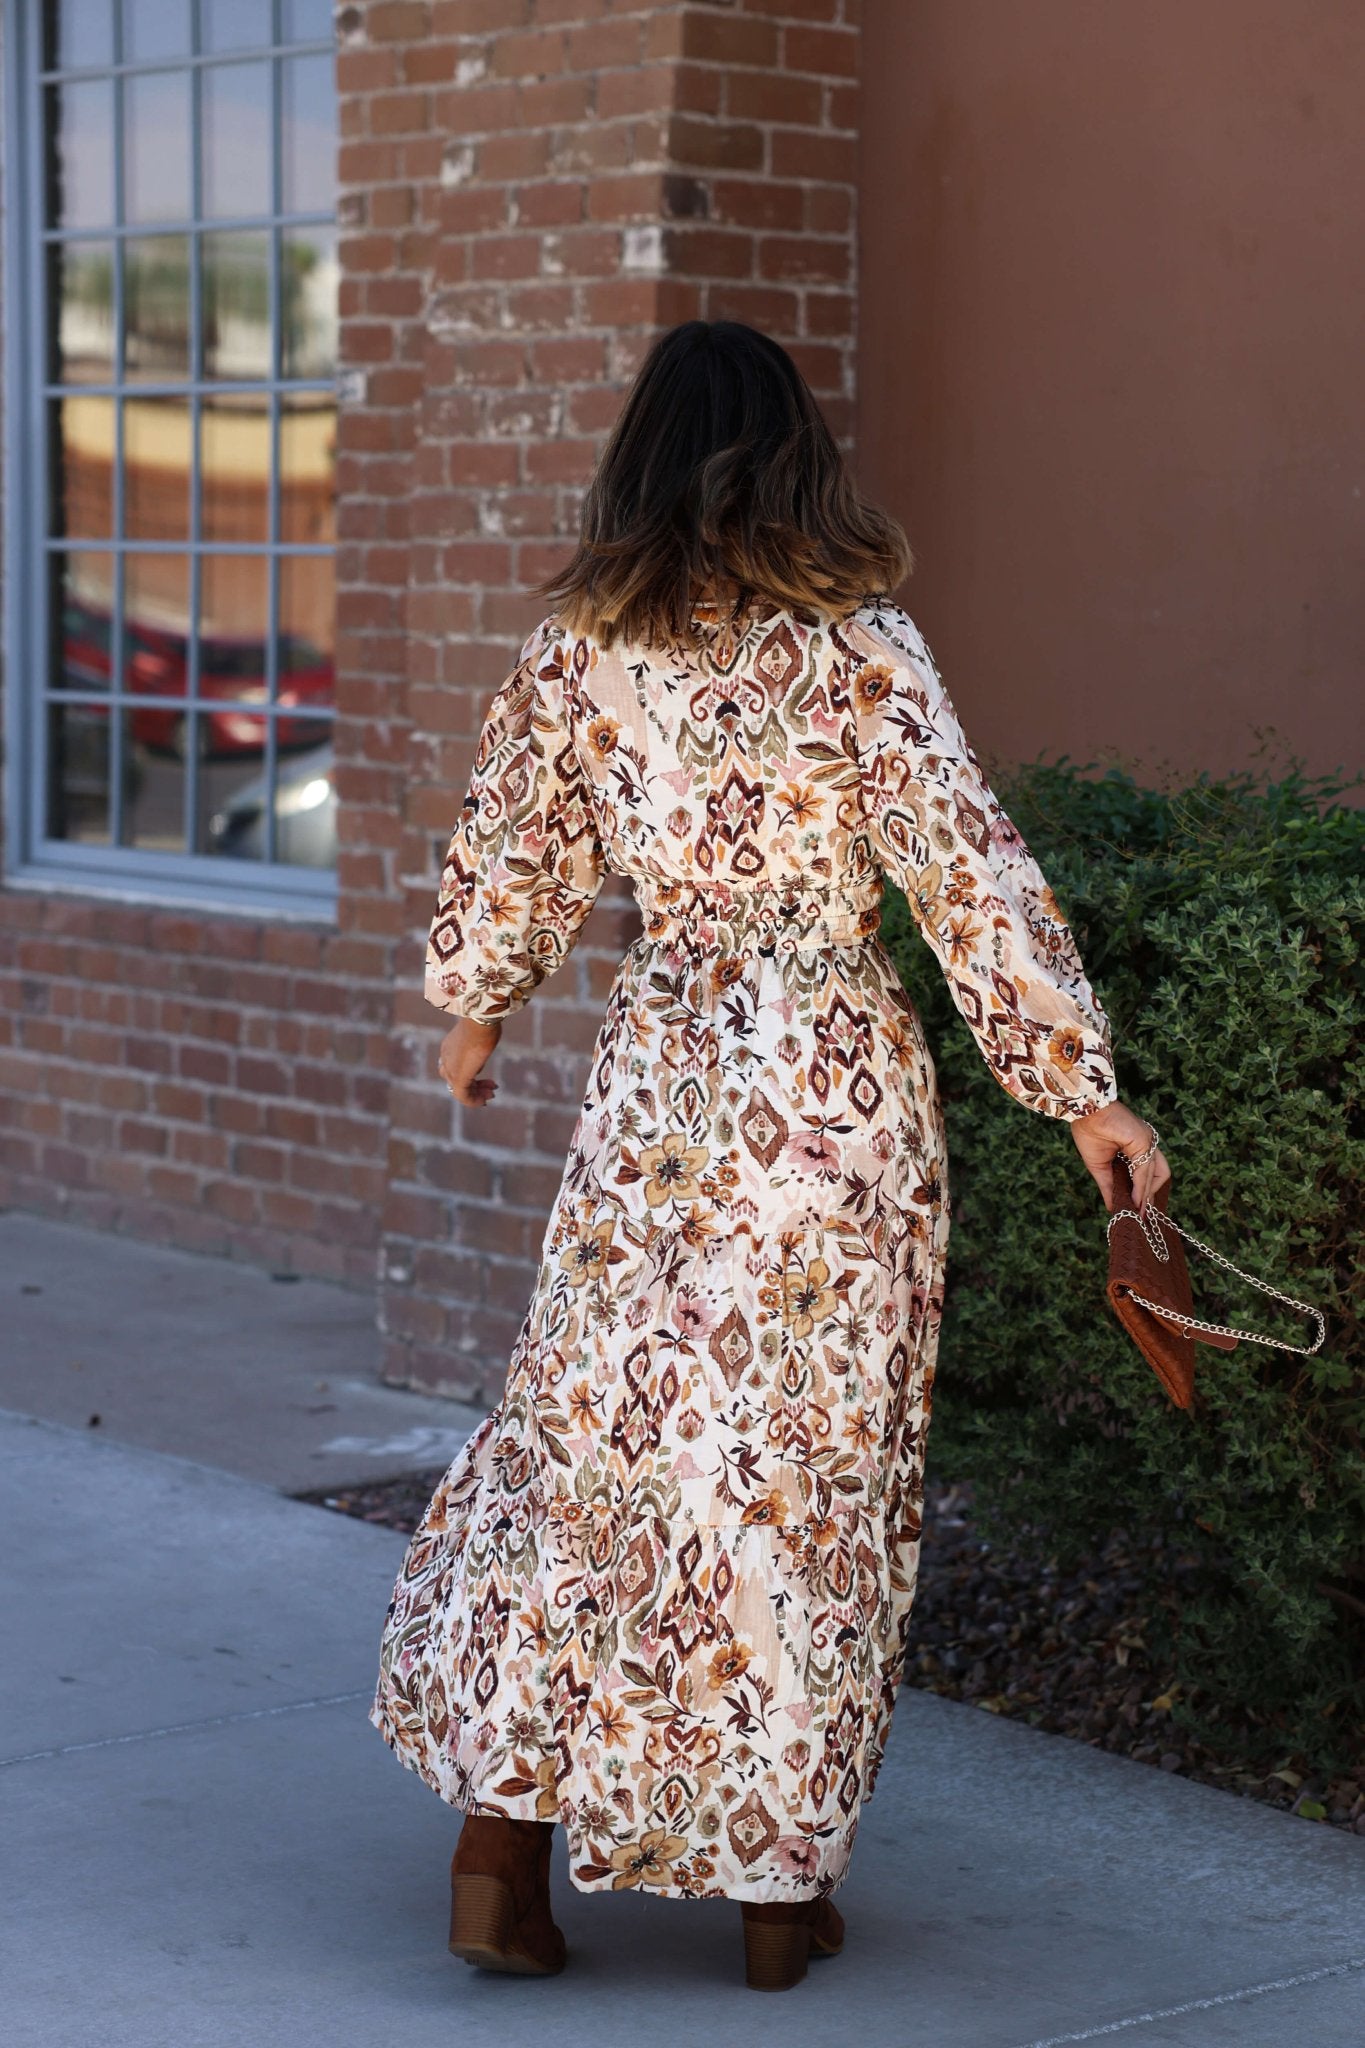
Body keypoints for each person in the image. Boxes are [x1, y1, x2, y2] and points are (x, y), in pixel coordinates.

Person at [369, 319, 1170, 1993]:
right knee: (799, 1477)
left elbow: (510, 846)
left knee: (589, 1448)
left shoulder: (579, 649)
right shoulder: (861, 646)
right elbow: (966, 866)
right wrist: (1078, 1089)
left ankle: (497, 1861)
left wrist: (475, 1009)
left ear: (638, 460)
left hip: (659, 1086)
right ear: (798, 451)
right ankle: (772, 1895)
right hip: (831, 1097)